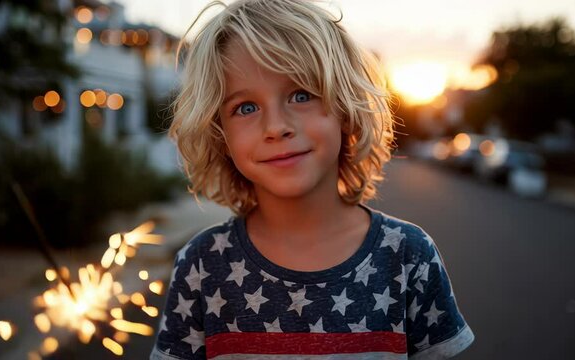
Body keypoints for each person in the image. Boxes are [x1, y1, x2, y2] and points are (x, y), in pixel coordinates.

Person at [151, 0, 474, 358]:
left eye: (301, 95)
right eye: (245, 107)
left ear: (345, 109)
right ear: (220, 134)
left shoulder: (408, 257)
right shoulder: (201, 265)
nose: (276, 127)